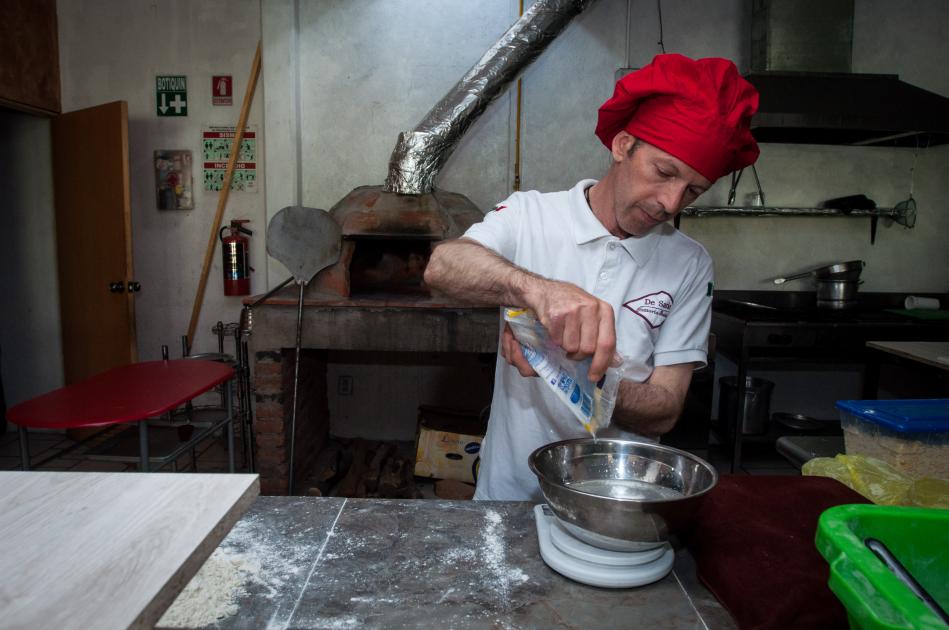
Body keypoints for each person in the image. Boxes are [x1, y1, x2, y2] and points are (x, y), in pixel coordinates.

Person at [424, 53, 760, 501]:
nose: (672, 203)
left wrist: (571, 368)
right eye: (664, 172)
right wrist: (536, 290)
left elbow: (665, 409)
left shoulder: (690, 264)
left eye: (694, 190)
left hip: (617, 502)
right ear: (623, 145)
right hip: (510, 495)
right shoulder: (531, 214)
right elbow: (442, 267)